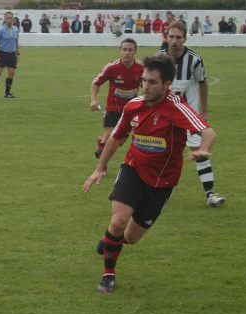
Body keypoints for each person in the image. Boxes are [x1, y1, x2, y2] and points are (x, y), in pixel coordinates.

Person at [82, 55, 217, 294]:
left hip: (163, 182)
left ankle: (111, 242)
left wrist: (204, 149)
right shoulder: (134, 105)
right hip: (133, 169)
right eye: (144, 80)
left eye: (152, 82)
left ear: (167, 85)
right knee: (117, 222)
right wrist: (99, 167)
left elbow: (207, 132)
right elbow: (116, 139)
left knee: (131, 237)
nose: (146, 86)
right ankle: (108, 275)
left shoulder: (177, 108)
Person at [156, 21, 225, 207]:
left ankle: (210, 194)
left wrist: (203, 111)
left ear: (185, 38)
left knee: (199, 151)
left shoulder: (194, 59)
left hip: (189, 114)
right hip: (166, 115)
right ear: (166, 37)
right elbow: (152, 85)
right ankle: (156, 194)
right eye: (171, 37)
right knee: (160, 153)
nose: (174, 41)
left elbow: (202, 83)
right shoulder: (160, 59)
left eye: (179, 37)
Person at [90, 38, 143, 161]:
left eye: (130, 50)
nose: (127, 53)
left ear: (135, 52)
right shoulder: (112, 67)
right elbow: (95, 83)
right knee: (111, 134)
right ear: (120, 51)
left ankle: (102, 143)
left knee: (119, 141)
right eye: (124, 50)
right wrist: (93, 100)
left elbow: (147, 83)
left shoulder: (141, 68)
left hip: (131, 110)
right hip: (113, 108)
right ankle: (102, 164)